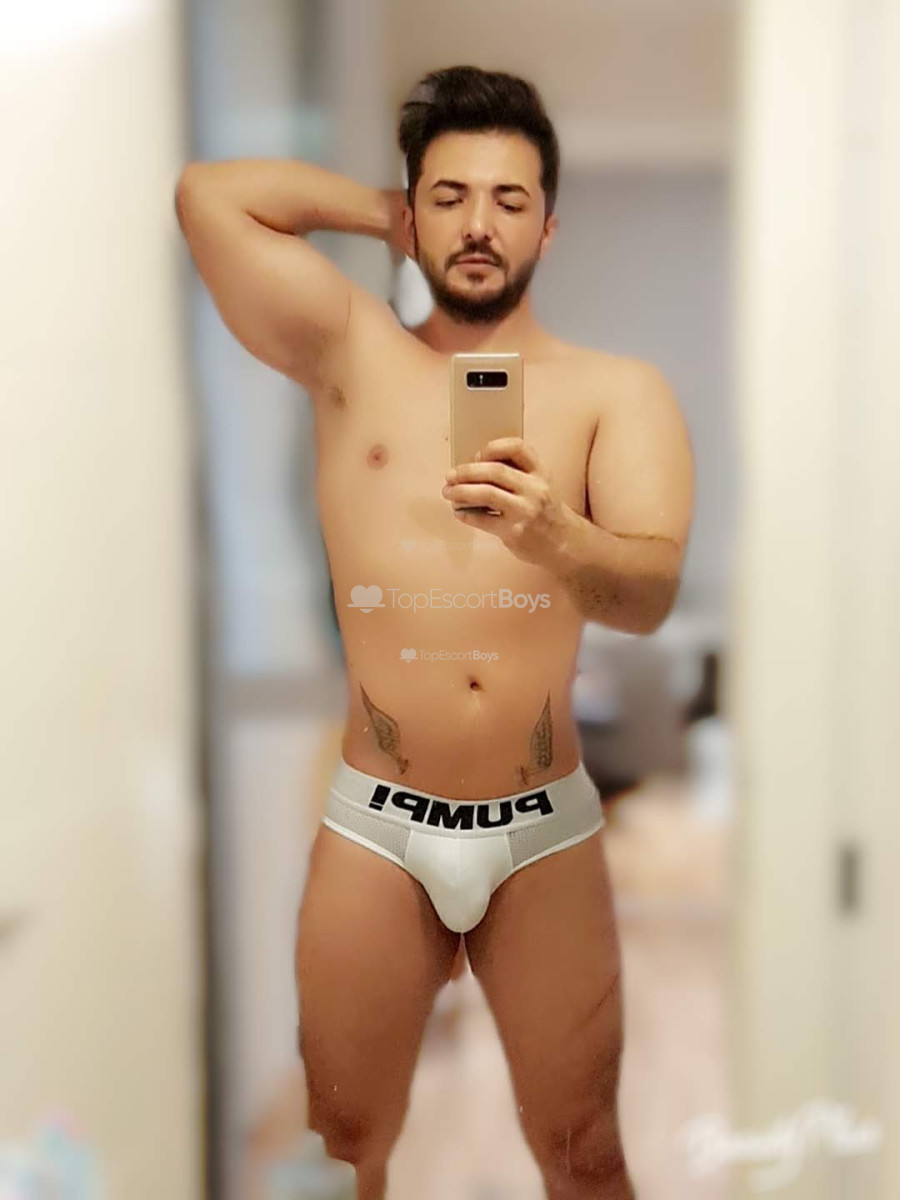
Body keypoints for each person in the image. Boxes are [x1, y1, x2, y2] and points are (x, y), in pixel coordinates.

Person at [175, 64, 694, 1200]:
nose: (479, 225)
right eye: (450, 197)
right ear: (414, 216)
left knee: (585, 1152)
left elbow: (649, 593)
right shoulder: (347, 349)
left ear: (549, 227)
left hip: (540, 825)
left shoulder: (617, 392)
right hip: (380, 822)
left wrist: (556, 535)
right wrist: (384, 213)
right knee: (342, 1146)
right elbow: (208, 195)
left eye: (510, 200)